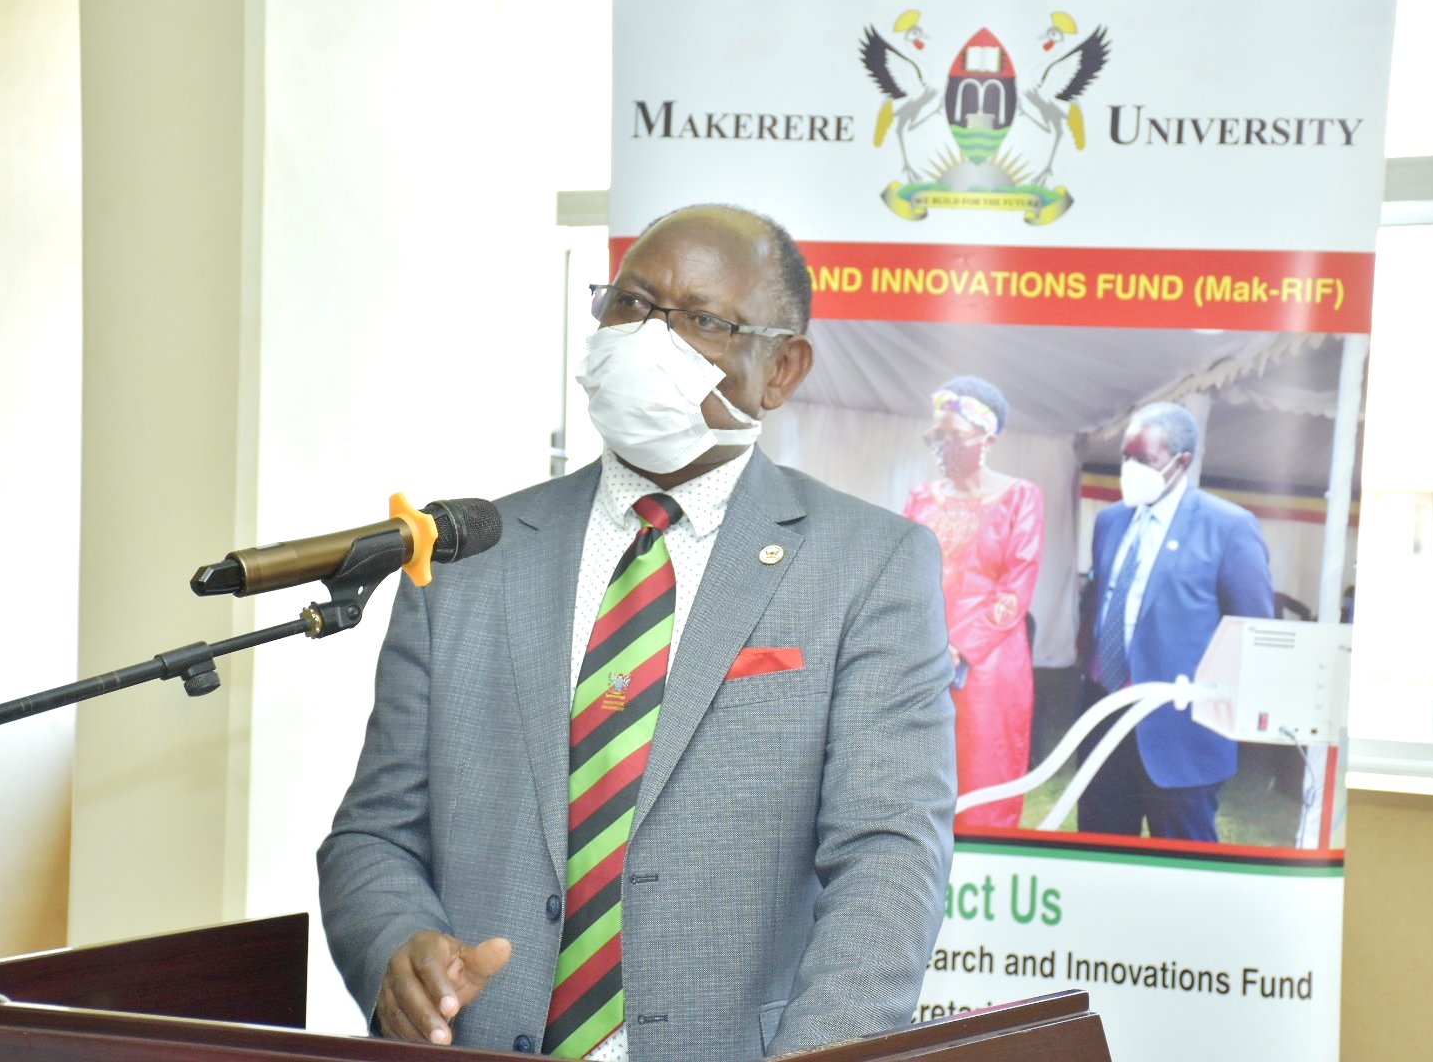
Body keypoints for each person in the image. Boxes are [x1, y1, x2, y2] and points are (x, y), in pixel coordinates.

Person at [317, 204, 957, 1061]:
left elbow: (889, 857)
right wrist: (397, 947)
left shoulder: (869, 565)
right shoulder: (468, 560)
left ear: (783, 369)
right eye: (631, 305)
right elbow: (372, 836)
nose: (649, 339)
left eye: (702, 320)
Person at [1079, 401, 1274, 842]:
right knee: (1101, 863)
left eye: (1144, 460)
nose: (1130, 469)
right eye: (1125, 457)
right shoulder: (1110, 521)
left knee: (1185, 871)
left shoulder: (1228, 527)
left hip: (1181, 737)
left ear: (1181, 462)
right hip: (1105, 719)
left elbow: (1256, 635)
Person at [903, 377, 1043, 833]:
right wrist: (926, 644)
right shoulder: (922, 498)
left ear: (988, 440)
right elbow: (903, 574)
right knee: (918, 778)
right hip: (922, 659)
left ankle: (980, 885)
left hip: (988, 669)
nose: (942, 446)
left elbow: (1015, 588)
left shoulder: (1020, 498)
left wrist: (958, 646)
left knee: (984, 778)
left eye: (955, 436)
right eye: (935, 435)